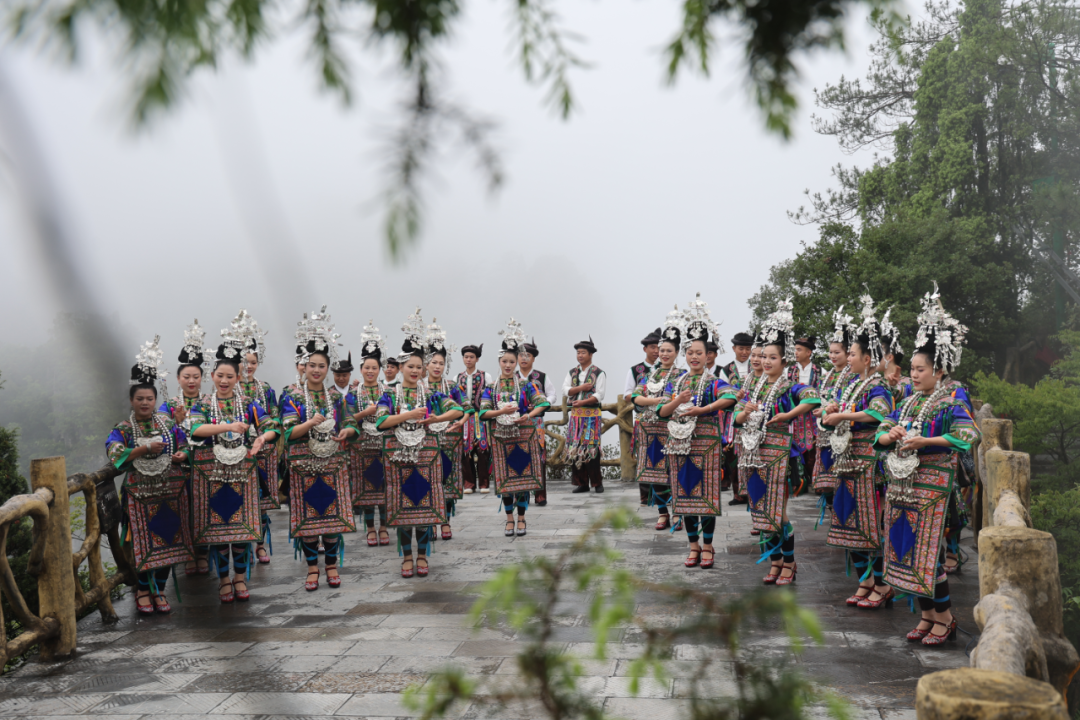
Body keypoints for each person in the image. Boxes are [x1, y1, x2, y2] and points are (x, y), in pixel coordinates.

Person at [877, 284, 978, 645]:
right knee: (904, 550)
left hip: (933, 487)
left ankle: (945, 618)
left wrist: (927, 441)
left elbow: (968, 436)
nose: (914, 374)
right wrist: (892, 436)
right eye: (914, 369)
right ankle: (925, 615)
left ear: (938, 370)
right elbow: (881, 434)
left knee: (929, 554)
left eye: (921, 369)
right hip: (902, 486)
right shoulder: (909, 400)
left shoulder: (950, 400)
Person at [189, 331, 280, 603]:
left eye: (230, 376)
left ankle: (240, 578)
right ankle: (224, 579)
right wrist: (228, 426)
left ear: (238, 378)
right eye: (220, 376)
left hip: (243, 475)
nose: (225, 381)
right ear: (212, 377)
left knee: (241, 532)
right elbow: (195, 430)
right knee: (219, 530)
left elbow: (273, 425)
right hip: (213, 477)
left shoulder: (249, 404)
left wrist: (262, 437)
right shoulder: (203, 404)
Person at [735, 301, 821, 585]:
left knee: (778, 513)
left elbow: (812, 398)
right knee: (759, 509)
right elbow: (737, 415)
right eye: (764, 357)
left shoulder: (788, 386)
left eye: (773, 357)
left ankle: (789, 562)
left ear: (785, 361)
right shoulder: (755, 385)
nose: (767, 361)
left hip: (779, 457)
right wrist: (743, 412)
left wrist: (788, 414)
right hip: (753, 455)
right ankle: (774, 563)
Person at [820, 294, 895, 608]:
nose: (847, 358)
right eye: (847, 353)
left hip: (868, 465)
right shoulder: (848, 385)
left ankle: (881, 584)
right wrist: (832, 413)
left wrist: (844, 416)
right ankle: (865, 581)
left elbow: (878, 414)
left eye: (852, 354)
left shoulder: (879, 385)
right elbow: (829, 419)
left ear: (867, 358)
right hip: (846, 461)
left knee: (870, 525)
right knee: (849, 521)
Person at [108, 337, 191, 614]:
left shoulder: (167, 422)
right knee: (143, 542)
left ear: (156, 400)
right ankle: (143, 589)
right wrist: (142, 449)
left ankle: (159, 589)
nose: (145, 403)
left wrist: (182, 455)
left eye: (150, 398)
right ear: (131, 400)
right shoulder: (123, 428)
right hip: (139, 494)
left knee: (169, 539)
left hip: (170, 491)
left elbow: (184, 444)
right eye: (140, 399)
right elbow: (115, 454)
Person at [376, 314, 463, 578]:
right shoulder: (390, 393)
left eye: (418, 367)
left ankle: (423, 555)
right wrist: (406, 416)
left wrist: (437, 418)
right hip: (398, 458)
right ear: (401, 367)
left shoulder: (431, 394)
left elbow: (457, 410)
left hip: (427, 458)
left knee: (424, 508)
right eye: (410, 366)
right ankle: (406, 556)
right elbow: (381, 422)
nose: (414, 371)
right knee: (404, 508)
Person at [279, 307, 359, 592]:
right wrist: (310, 422)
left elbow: (350, 423)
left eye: (321, 366)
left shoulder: (336, 397)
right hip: (303, 466)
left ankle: (332, 565)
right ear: (304, 365)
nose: (316, 370)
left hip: (333, 463)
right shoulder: (291, 396)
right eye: (311, 365)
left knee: (332, 516)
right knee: (309, 518)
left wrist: (347, 431)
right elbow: (287, 432)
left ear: (328, 369)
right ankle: (313, 567)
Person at [658, 305, 737, 569]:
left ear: (708, 356)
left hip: (707, 446)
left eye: (699, 353)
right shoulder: (678, 382)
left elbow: (731, 396)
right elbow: (661, 411)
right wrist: (676, 401)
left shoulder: (714, 381)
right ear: (685, 355)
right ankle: (692, 545)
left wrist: (704, 409)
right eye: (690, 352)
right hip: (679, 445)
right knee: (685, 495)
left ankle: (708, 545)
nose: (694, 357)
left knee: (707, 498)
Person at [480, 319, 550, 537]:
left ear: (517, 362)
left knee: (523, 480)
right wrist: (501, 412)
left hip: (522, 437)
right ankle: (509, 519)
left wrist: (527, 415)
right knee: (505, 480)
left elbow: (543, 403)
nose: (508, 365)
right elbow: (483, 413)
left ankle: (521, 518)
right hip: (500, 439)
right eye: (505, 361)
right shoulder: (491, 388)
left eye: (512, 361)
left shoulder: (526, 385)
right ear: (499, 362)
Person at [160, 319, 211, 576]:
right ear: (178, 379)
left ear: (202, 379)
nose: (191, 381)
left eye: (196, 376)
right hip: (179, 467)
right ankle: (188, 552)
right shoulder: (168, 405)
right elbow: (158, 431)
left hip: (204, 464)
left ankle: (203, 551)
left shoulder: (209, 402)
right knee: (184, 509)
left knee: (203, 507)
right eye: (186, 376)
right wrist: (175, 423)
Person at [631, 308, 687, 530]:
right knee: (654, 475)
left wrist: (652, 400)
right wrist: (655, 402)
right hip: (648, 431)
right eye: (661, 350)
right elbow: (636, 398)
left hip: (672, 430)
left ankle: (677, 513)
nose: (663, 354)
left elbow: (678, 403)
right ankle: (663, 512)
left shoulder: (682, 375)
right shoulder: (649, 375)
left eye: (668, 351)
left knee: (673, 472)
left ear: (676, 352)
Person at [234, 311, 279, 566]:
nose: (248, 366)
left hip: (262, 451)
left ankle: (261, 543)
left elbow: (273, 417)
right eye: (243, 362)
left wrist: (264, 436)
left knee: (260, 499)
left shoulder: (265, 389)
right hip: (237, 452)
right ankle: (241, 542)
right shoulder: (229, 388)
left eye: (252, 362)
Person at [421, 318, 467, 541]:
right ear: (426, 364)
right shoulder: (418, 387)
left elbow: (467, 408)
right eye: (433, 363)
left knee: (446, 480)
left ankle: (445, 520)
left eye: (441, 363)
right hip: (425, 441)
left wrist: (462, 420)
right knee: (428, 480)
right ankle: (430, 521)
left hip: (449, 439)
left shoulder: (451, 386)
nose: (437, 366)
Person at [810, 308, 856, 516]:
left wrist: (835, 408)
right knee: (826, 481)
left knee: (840, 479)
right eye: (831, 352)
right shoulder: (827, 376)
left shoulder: (851, 376)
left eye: (837, 352)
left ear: (848, 353)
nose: (833, 356)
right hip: (824, 433)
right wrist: (821, 410)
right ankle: (833, 511)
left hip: (842, 434)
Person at [350, 321, 391, 547]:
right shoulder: (354, 393)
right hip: (362, 445)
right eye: (367, 367)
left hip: (385, 443)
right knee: (366, 488)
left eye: (374, 368)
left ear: (380, 370)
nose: (370, 371)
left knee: (385, 485)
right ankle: (370, 528)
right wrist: (364, 413)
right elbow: (346, 418)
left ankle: (384, 526)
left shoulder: (389, 391)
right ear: (361, 369)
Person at [563, 337, 607, 493]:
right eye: (578, 353)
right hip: (576, 416)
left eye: (583, 353)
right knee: (575, 447)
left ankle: (597, 482)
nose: (580, 355)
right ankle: (581, 483)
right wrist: (581, 388)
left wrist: (582, 402)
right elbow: (566, 390)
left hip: (591, 415)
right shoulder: (572, 372)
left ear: (590, 354)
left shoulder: (599, 373)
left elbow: (600, 394)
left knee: (591, 448)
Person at [518, 337, 556, 506]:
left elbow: (552, 395)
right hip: (517, 423)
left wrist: (542, 402)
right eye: (521, 355)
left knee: (538, 459)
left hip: (536, 423)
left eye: (528, 355)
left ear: (533, 358)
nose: (524, 358)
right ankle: (522, 494)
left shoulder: (541, 376)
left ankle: (540, 495)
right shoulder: (510, 377)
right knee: (519, 458)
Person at [627, 328, 661, 505]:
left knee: (664, 456)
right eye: (652, 347)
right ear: (645, 349)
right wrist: (647, 399)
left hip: (664, 420)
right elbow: (628, 394)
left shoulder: (667, 370)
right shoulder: (636, 370)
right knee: (644, 457)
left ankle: (664, 495)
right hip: (643, 420)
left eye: (659, 347)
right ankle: (646, 496)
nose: (656, 351)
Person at [721, 332, 754, 505]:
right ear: (734, 348)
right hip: (732, 418)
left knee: (751, 454)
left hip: (753, 417)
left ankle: (751, 493)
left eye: (748, 348)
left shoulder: (757, 367)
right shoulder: (726, 370)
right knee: (733, 456)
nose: (744, 352)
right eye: (741, 348)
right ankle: (738, 494)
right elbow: (723, 394)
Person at [786, 335, 821, 494]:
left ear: (809, 352)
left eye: (799, 350)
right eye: (795, 349)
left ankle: (815, 481)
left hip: (813, 416)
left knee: (813, 451)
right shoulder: (789, 370)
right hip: (794, 416)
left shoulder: (820, 371)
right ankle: (799, 481)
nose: (796, 353)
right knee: (794, 448)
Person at [456, 343, 492, 493]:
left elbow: (490, 395)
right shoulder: (458, 377)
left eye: (471, 357)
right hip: (465, 417)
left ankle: (484, 483)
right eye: (466, 357)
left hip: (480, 417)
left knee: (483, 449)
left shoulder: (485, 376)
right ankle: (469, 484)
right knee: (465, 451)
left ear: (477, 359)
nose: (468, 360)